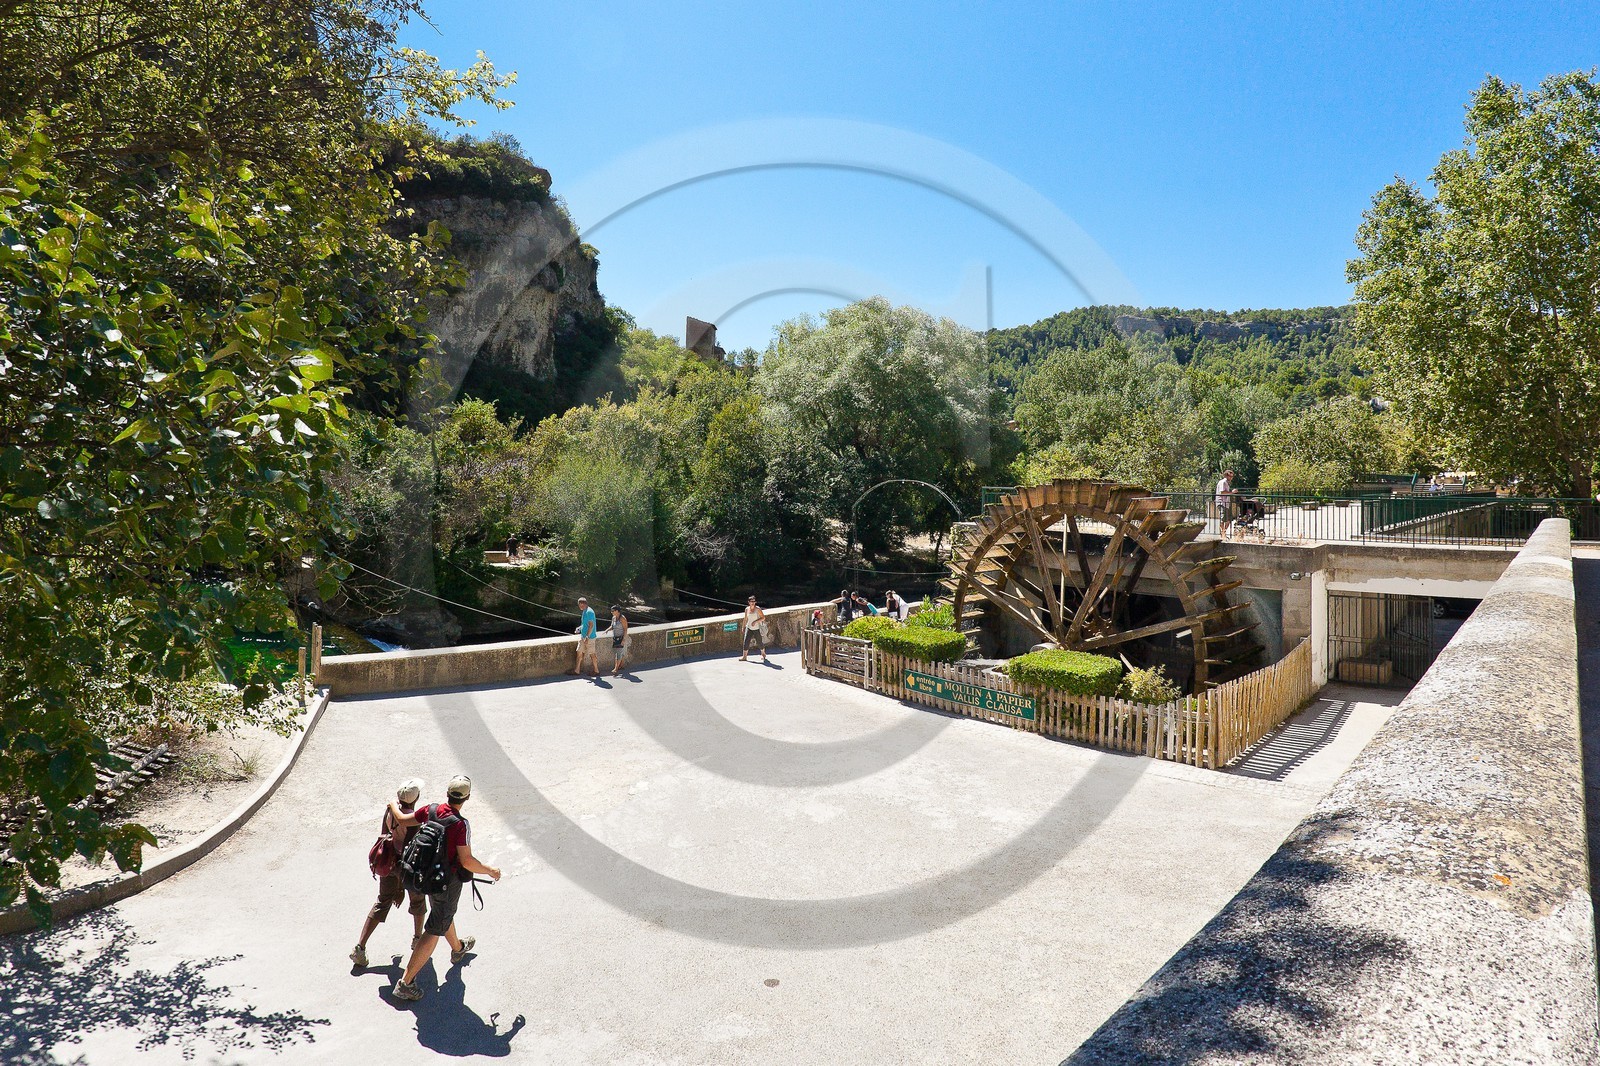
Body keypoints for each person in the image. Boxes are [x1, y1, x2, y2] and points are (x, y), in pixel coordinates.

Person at [391, 776, 501, 1003]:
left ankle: (458, 948)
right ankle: (406, 983)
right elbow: (467, 860)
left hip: (425, 873)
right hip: (446, 881)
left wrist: (392, 803)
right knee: (435, 927)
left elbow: (402, 819)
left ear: (447, 793)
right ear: (467, 797)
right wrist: (490, 870)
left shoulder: (430, 810)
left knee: (442, 913)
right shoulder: (460, 824)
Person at [350, 778, 427, 968]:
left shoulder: (390, 810)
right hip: (407, 866)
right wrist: (401, 886)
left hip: (388, 862)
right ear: (415, 798)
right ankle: (418, 940)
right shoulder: (412, 817)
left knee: (382, 901)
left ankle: (360, 947)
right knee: (418, 902)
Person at [569, 597, 599, 676]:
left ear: (583, 604)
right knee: (579, 652)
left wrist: (587, 637)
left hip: (590, 638)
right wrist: (579, 628)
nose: (579, 607)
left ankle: (596, 671)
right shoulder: (584, 611)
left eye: (579, 605)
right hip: (583, 636)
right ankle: (577, 670)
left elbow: (591, 625)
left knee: (592, 654)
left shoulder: (589, 612)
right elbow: (585, 624)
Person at [739, 595, 768, 663]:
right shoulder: (747, 609)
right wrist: (743, 627)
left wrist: (755, 621)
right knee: (746, 641)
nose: (753, 603)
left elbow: (763, 618)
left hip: (756, 628)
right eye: (751, 601)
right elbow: (745, 618)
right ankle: (744, 657)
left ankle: (763, 654)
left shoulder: (758, 609)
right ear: (749, 602)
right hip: (749, 627)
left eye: (754, 601)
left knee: (759, 642)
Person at [608, 605, 630, 676]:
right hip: (615, 637)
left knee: (618, 653)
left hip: (621, 638)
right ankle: (621, 665)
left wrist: (624, 639)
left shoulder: (622, 618)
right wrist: (607, 630)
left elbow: (625, 629)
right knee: (619, 652)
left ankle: (616, 669)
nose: (612, 612)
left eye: (613, 611)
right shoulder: (613, 618)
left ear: (617, 611)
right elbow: (612, 626)